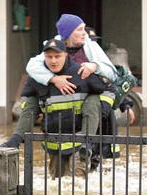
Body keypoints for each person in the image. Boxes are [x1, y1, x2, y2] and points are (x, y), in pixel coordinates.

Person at [0, 15, 134, 148]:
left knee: (89, 162)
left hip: (89, 114)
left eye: (84, 29)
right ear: (68, 33)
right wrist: (54, 79)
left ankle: (86, 145)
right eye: (79, 29)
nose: (84, 33)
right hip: (60, 115)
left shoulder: (91, 48)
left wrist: (95, 66)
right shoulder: (53, 50)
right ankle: (15, 141)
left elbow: (110, 78)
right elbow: (32, 67)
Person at [22, 38, 115, 177]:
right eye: (49, 57)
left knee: (77, 186)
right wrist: (37, 111)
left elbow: (109, 88)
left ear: (65, 55)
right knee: (57, 184)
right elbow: (26, 100)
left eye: (57, 56)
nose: (53, 60)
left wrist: (102, 109)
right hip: (55, 144)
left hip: (80, 144)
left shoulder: (82, 71)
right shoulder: (38, 76)